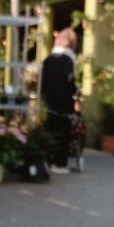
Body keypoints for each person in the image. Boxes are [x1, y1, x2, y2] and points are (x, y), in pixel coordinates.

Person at [40, 27, 79, 173]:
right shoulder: (68, 60)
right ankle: (60, 163)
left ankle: (48, 160)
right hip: (63, 102)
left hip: (48, 101)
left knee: (49, 130)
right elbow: (69, 81)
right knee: (63, 133)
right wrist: (75, 90)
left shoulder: (48, 59)